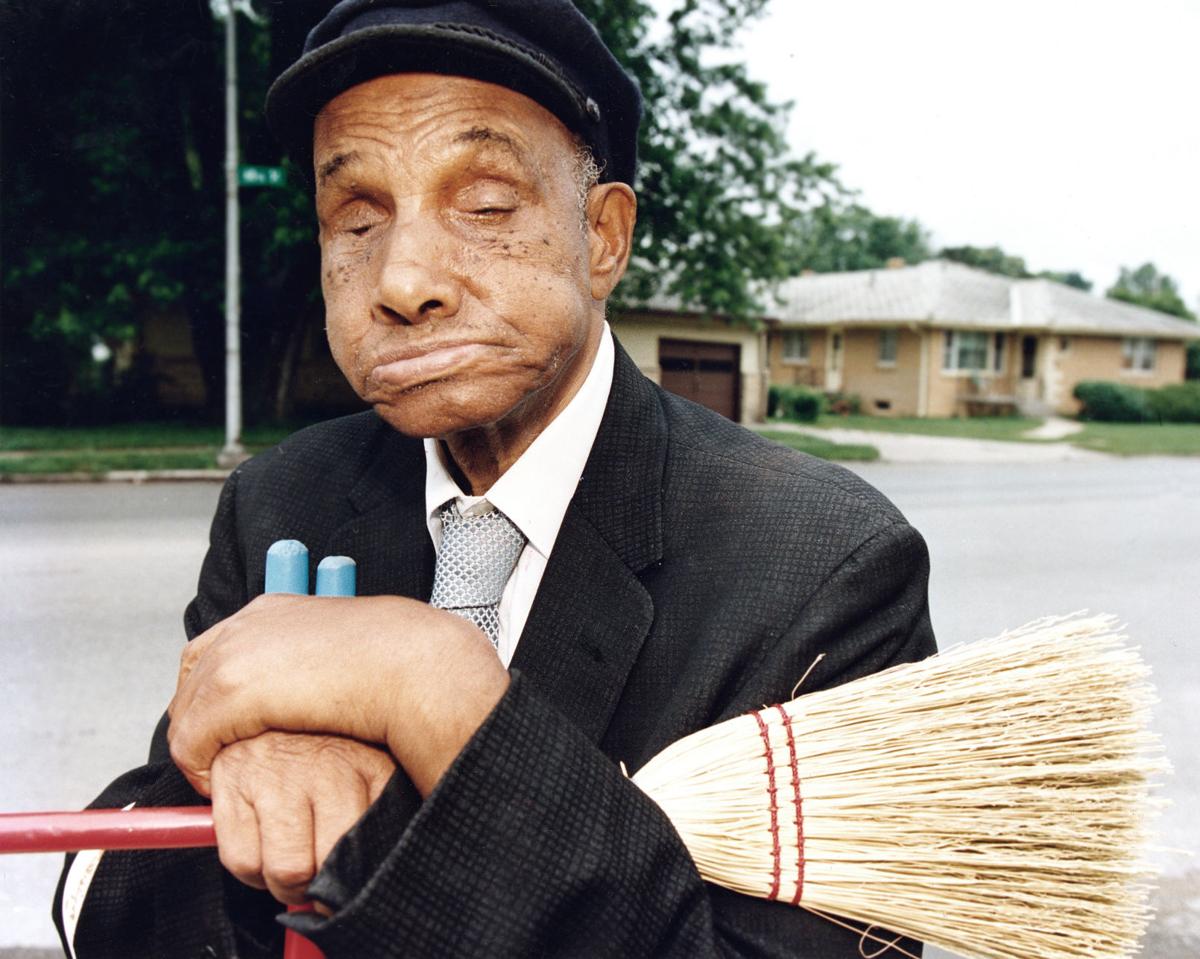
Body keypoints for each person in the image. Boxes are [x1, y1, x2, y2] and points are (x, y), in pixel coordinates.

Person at [56, 2, 936, 956]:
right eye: (356, 217)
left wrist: (431, 690)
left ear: (603, 239)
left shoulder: (825, 571)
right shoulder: (284, 502)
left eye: (483, 207)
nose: (401, 279)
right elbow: (118, 912)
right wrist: (241, 793)